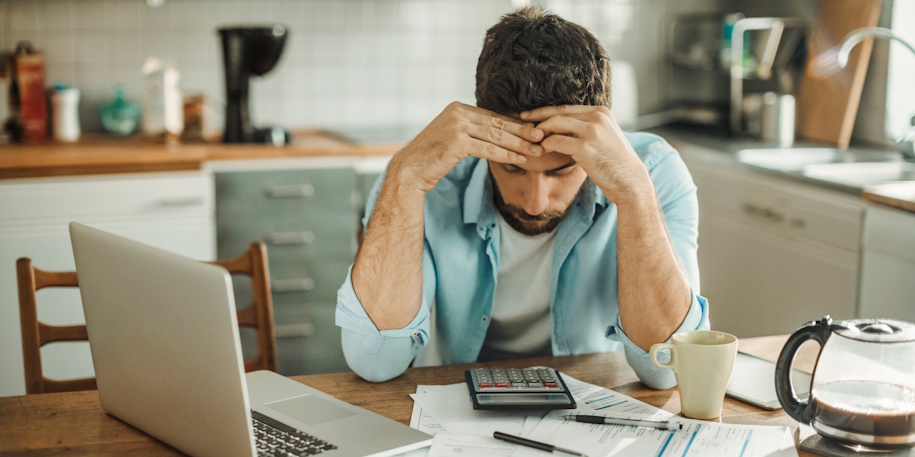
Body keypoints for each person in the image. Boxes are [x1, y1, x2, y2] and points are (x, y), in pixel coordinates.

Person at [335, 6, 709, 389]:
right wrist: (406, 176)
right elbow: (373, 361)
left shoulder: (652, 173)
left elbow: (666, 368)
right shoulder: (425, 174)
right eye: (512, 168)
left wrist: (634, 195)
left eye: (562, 170)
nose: (535, 202)